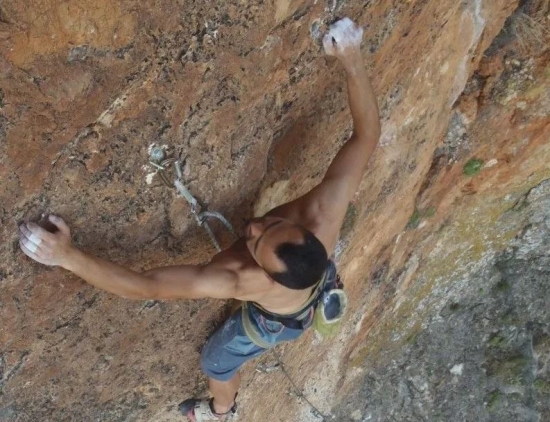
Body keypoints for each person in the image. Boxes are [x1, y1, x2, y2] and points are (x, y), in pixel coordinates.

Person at [18, 17, 380, 422]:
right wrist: (351, 56)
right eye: (274, 225)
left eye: (256, 244)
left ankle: (222, 411)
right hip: (315, 277)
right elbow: (366, 136)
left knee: (216, 363)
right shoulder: (323, 213)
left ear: (262, 270)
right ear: (305, 232)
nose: (256, 227)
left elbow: (148, 286)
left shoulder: (234, 279)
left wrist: (66, 256)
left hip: (279, 319)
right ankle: (322, 296)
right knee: (302, 275)